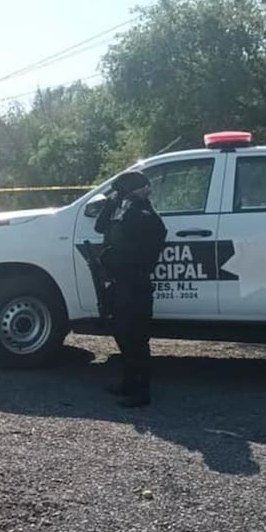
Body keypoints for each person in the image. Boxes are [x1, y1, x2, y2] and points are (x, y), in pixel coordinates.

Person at [94, 170, 167, 407]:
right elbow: (99, 227)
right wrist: (111, 203)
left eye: (123, 191)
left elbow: (142, 247)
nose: (121, 195)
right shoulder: (123, 210)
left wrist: (114, 257)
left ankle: (142, 392)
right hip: (119, 282)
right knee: (122, 334)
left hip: (136, 283)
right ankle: (128, 383)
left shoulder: (144, 215)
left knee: (136, 338)